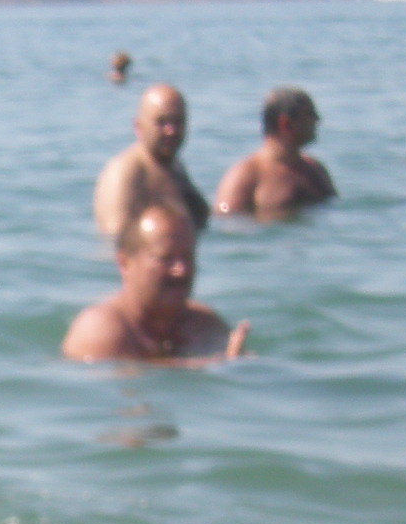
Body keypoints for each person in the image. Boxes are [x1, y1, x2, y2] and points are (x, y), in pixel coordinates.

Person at [63, 204, 249, 364]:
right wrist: (206, 366)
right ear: (125, 263)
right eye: (165, 259)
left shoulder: (204, 325)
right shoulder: (100, 328)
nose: (181, 270)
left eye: (187, 257)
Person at [94, 84, 210, 237]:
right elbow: (115, 238)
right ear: (138, 126)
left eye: (178, 121)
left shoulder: (174, 167)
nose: (171, 131)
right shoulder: (125, 172)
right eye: (162, 122)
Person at [214, 86, 336, 219]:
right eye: (310, 114)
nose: (317, 120)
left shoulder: (316, 169)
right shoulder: (245, 175)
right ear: (286, 123)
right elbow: (227, 217)